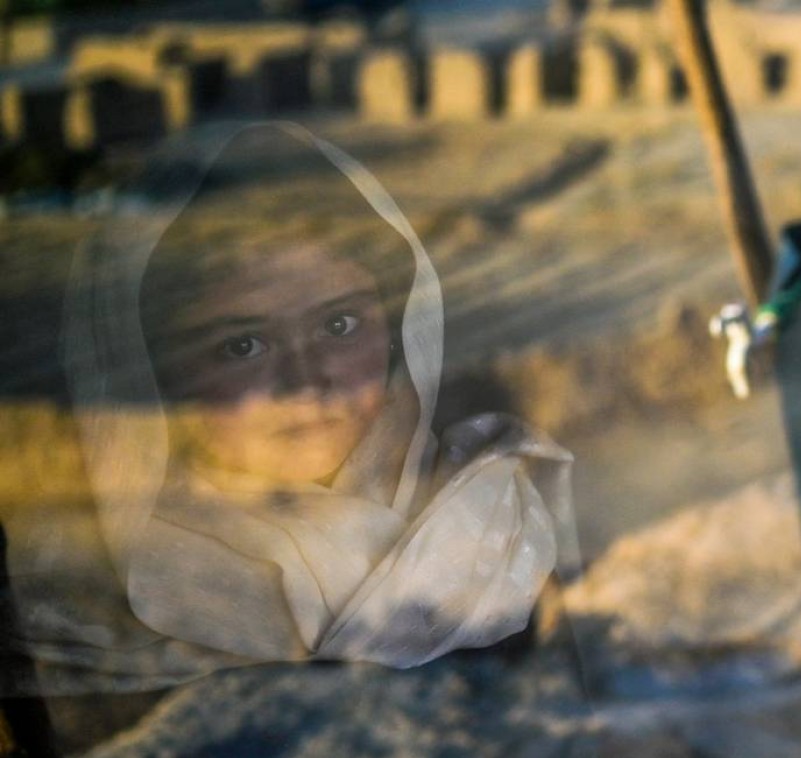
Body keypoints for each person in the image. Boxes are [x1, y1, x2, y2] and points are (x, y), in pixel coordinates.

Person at [1, 122, 583, 696]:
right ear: (156, 374)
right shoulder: (92, 610)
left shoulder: (498, 533)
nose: (305, 382)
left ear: (397, 334)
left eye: (340, 325)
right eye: (242, 345)